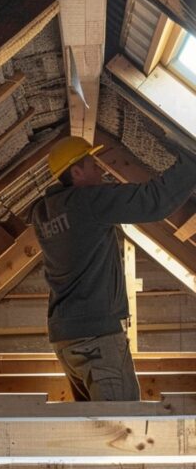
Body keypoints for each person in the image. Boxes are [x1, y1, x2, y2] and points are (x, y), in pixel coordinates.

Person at [31, 135, 196, 401]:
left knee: (95, 427)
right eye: (93, 164)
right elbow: (154, 202)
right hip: (96, 337)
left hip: (65, 338)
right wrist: (190, 165)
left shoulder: (42, 212)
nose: (102, 170)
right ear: (76, 172)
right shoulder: (88, 202)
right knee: (122, 425)